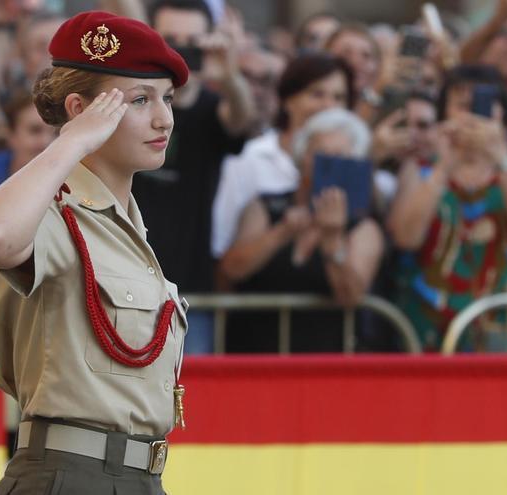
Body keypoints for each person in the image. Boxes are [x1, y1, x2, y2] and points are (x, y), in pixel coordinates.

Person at [0, 12, 190, 493]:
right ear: (78, 109)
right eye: (139, 100)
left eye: (167, 98)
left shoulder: (125, 226)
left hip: (137, 477)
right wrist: (73, 143)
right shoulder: (54, 211)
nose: (163, 118)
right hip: (70, 475)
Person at [387, 65, 507, 352]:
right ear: (445, 113)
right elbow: (406, 237)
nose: (473, 115)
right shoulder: (419, 171)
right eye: (462, 105)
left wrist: (501, 156)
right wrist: (444, 165)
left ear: (501, 114)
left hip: (500, 331)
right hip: (428, 328)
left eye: (485, 105)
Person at [134, 0, 255, 353]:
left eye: (192, 40)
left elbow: (240, 118)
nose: (181, 50)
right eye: (169, 40)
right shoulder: (128, 106)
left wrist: (228, 76)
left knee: (188, 402)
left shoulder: (212, 110)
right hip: (121, 288)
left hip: (190, 296)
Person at [219, 108, 384, 352]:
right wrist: (281, 233)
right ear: (301, 156)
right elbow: (231, 270)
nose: (328, 166)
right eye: (319, 155)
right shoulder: (267, 207)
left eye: (340, 157)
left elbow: (351, 296)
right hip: (255, 358)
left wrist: (332, 242)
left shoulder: (362, 226)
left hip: (326, 365)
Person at [212, 53, 355, 262]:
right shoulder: (248, 157)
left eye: (338, 97)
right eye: (317, 94)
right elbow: (220, 242)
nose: (328, 106)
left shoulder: (351, 162)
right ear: (288, 100)